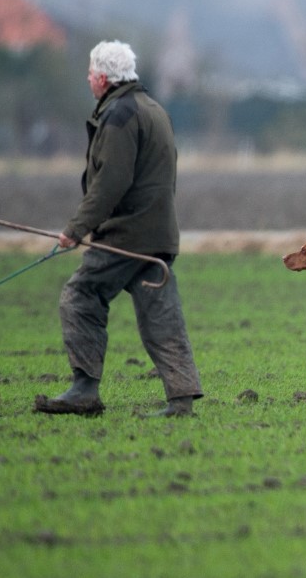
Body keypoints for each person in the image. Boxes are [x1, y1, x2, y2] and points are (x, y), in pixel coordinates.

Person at [35, 40, 204, 418]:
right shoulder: (153, 108)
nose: (88, 80)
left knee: (81, 295)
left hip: (126, 236)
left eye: (90, 73)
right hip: (157, 234)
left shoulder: (119, 115)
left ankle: (83, 390)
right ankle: (181, 398)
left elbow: (111, 182)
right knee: (161, 314)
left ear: (102, 78)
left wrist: (76, 228)